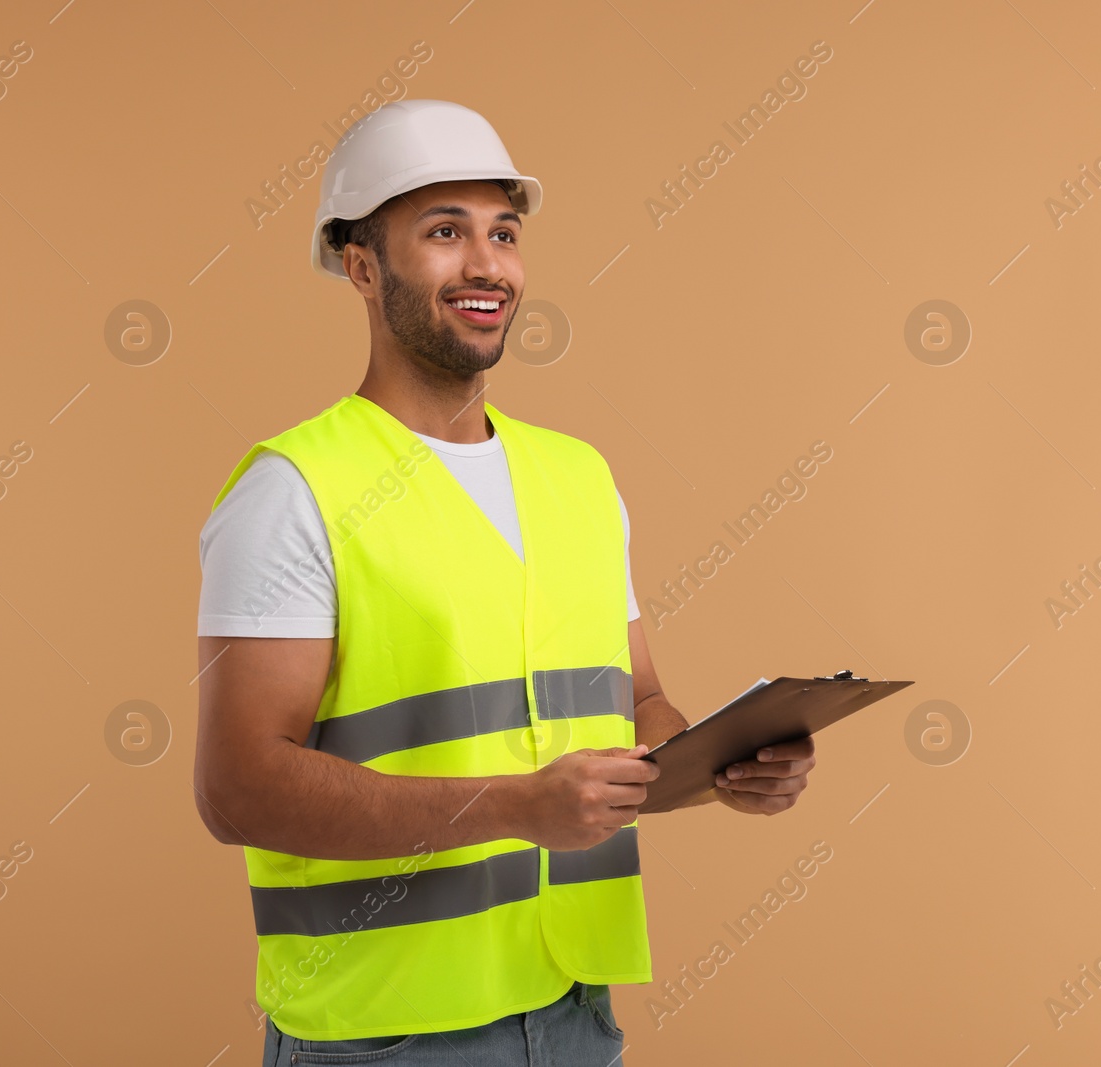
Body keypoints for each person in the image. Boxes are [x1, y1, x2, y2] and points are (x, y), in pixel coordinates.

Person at [192, 100, 816, 1066]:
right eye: (445, 232)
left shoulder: (577, 477)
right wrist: (517, 808)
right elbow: (237, 790)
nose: (487, 264)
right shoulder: (294, 491)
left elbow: (641, 702)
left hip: (572, 1013)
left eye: (504, 232)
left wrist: (718, 769)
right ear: (362, 267)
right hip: (384, 1033)